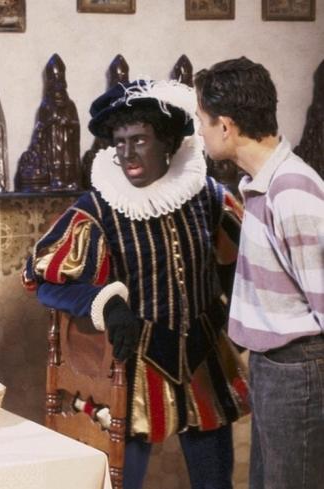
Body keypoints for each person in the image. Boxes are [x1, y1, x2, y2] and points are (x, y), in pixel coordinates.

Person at [23, 79, 249, 489]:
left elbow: (240, 263)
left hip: (204, 358)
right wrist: (106, 304)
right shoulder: (98, 209)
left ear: (168, 143)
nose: (127, 152)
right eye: (120, 142)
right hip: (133, 366)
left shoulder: (208, 197)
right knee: (121, 483)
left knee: (216, 482)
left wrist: (228, 315)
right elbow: (41, 281)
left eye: (140, 140)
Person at [195, 57, 324, 489]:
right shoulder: (262, 185)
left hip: (299, 371)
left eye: (202, 120)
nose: (200, 131)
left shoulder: (292, 190)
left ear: (226, 126)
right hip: (276, 369)